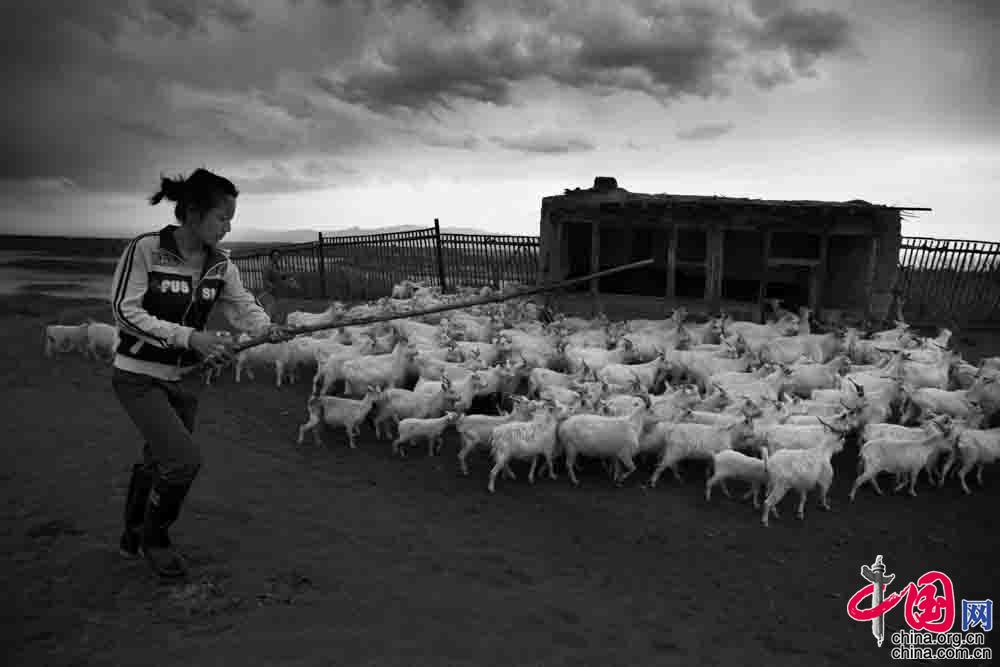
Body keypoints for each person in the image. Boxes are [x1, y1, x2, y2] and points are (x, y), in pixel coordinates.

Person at [109, 167, 288, 578]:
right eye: (222, 218)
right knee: (182, 461)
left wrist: (267, 328)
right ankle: (156, 539)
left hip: (187, 380)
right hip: (138, 377)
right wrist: (190, 338)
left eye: (230, 219)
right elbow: (124, 311)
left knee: (159, 457)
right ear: (192, 212)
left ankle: (133, 532)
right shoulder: (146, 250)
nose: (228, 227)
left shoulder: (221, 265)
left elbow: (244, 309)